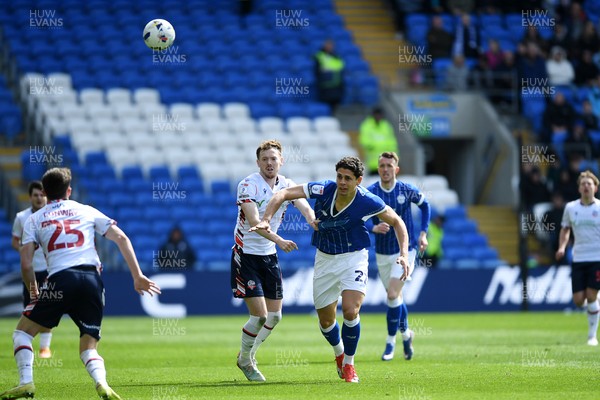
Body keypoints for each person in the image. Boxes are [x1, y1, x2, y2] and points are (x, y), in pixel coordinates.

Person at [0, 167, 161, 400]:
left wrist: (34, 291)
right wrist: (137, 275)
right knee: (88, 346)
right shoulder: (86, 210)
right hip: (92, 281)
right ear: (69, 191)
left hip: (60, 280)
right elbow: (121, 238)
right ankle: (102, 384)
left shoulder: (34, 219)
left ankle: (26, 382)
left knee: (22, 334)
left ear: (44, 192)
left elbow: (26, 264)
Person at [250, 156, 410, 383]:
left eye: (348, 178)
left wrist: (404, 254)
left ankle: (349, 364)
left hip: (354, 257)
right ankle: (339, 354)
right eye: (340, 177)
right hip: (325, 258)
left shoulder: (368, 201)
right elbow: (283, 194)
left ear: (359, 180)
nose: (342, 182)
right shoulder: (324, 189)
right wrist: (266, 219)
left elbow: (397, 222)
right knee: (326, 321)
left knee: (351, 310)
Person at [232, 140, 315, 382]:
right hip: (246, 255)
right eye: (265, 159)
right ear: (258, 162)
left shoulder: (287, 184)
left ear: (281, 161)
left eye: (273, 159)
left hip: (269, 257)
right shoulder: (248, 185)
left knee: (275, 316)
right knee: (259, 316)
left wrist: (313, 220)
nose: (269, 163)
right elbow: (255, 221)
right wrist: (280, 240)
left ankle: (247, 355)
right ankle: (246, 362)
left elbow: (303, 205)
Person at [366, 152, 430, 361]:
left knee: (392, 295)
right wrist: (374, 227)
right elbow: (360, 217)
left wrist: (423, 233)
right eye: (382, 165)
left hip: (406, 250)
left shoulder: (405, 190)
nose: (385, 169)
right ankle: (406, 335)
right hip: (382, 252)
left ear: (396, 169)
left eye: (389, 166)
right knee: (396, 299)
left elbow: (425, 205)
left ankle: (390, 343)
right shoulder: (372, 192)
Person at [556, 170, 600, 346]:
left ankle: (592, 336)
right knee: (578, 300)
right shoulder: (571, 208)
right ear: (579, 188)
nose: (586, 186)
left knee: (590, 295)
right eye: (583, 184)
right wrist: (561, 246)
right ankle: (597, 301)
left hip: (597, 257)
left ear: (595, 188)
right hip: (579, 257)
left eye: (589, 183)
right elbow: (565, 229)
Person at [11, 181, 53, 359]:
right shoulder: (22, 217)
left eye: (42, 195)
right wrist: (26, 250)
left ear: (46, 196)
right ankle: (26, 345)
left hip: (48, 270)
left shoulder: (52, 215)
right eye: (35, 195)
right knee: (29, 306)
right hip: (29, 270)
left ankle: (45, 348)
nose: (39, 198)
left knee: (48, 306)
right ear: (30, 197)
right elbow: (15, 241)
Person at [358, 107, 398, 175]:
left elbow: (392, 143)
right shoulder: (367, 125)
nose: (378, 117)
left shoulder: (386, 126)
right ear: (373, 115)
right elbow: (365, 142)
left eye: (380, 115)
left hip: (387, 162)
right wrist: (383, 146)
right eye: (377, 115)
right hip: (372, 163)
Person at [314, 39, 345, 112]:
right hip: (325, 86)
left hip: (336, 85)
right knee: (325, 106)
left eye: (331, 45)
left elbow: (341, 68)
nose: (330, 47)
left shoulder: (336, 57)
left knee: (334, 106)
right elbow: (317, 71)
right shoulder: (320, 56)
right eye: (328, 45)